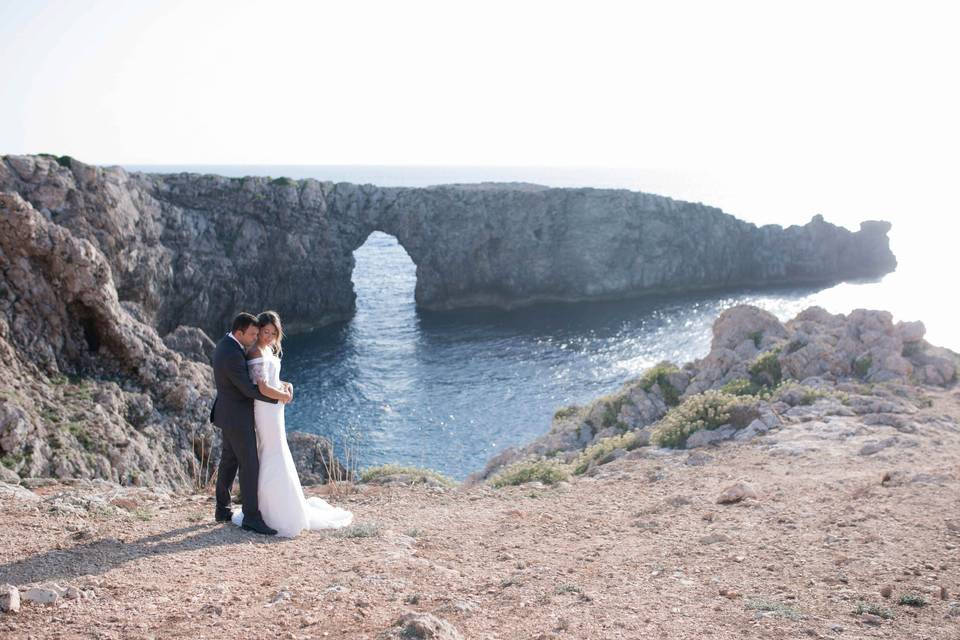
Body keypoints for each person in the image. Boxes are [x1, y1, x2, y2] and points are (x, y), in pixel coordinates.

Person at [229, 310, 353, 537]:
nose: (268, 336)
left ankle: (280, 507)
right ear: (258, 332)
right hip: (266, 408)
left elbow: (273, 381)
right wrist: (282, 396)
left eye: (273, 333)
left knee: (278, 450)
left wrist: (287, 386)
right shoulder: (256, 351)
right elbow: (262, 387)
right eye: (265, 332)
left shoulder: (267, 349)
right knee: (272, 451)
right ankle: (270, 511)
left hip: (275, 408)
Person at [210, 312, 291, 535]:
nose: (255, 338)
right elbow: (248, 388)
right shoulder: (231, 354)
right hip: (236, 416)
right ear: (240, 332)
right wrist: (278, 398)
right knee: (250, 464)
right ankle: (251, 517)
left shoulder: (229, 346)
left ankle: (222, 508)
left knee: (229, 460)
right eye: (253, 334)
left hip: (229, 414)